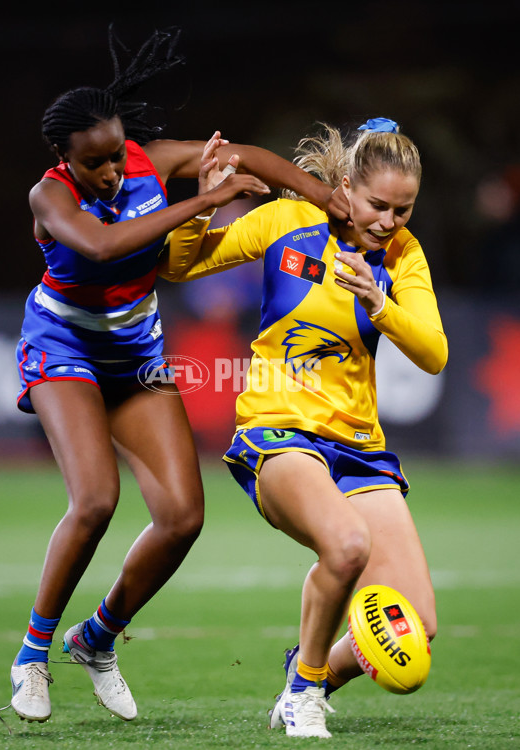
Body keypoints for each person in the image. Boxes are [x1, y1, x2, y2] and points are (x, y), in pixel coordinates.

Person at [4, 26, 351, 726]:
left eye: (116, 155)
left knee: (183, 517)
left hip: (136, 354)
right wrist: (202, 200)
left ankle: (96, 639)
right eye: (94, 163)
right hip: (64, 344)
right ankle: (32, 656)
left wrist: (321, 194)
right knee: (96, 499)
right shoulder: (50, 198)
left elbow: (243, 154)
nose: (111, 172)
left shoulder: (145, 162)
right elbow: (101, 248)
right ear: (62, 158)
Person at [160, 117, 448, 739]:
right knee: (345, 546)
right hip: (280, 431)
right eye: (378, 205)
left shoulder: (403, 257)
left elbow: (433, 354)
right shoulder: (288, 223)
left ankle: (309, 667)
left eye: (404, 209)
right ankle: (303, 692)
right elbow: (181, 267)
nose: (389, 222)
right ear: (345, 186)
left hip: (360, 449)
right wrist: (200, 201)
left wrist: (382, 305)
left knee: (416, 629)